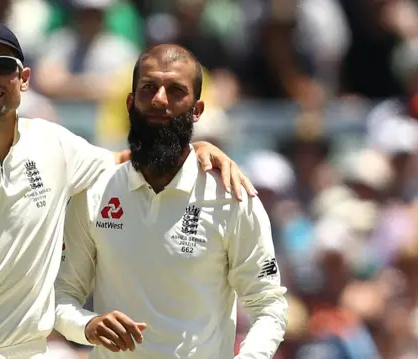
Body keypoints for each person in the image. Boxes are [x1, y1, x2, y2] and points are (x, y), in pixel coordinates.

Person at [0, 20, 254, 359]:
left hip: (30, 351)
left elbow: (131, 160)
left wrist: (194, 149)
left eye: (3, 66)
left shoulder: (53, 144)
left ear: (23, 78)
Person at [54, 44, 288, 359]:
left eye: (176, 91)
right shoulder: (96, 190)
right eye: (148, 88)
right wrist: (88, 325)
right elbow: (61, 296)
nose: (159, 100)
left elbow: (268, 304)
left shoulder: (230, 195)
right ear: (130, 102)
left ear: (198, 109)